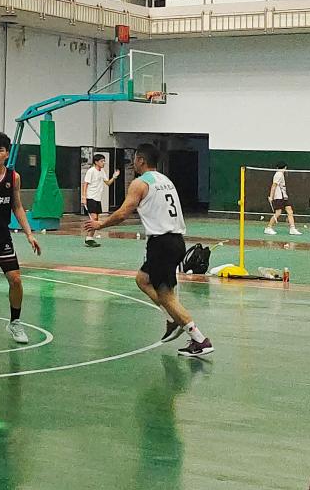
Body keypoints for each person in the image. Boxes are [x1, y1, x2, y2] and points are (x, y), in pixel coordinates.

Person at [85, 144, 213, 357]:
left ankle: (199, 339)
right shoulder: (165, 180)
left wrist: (100, 224)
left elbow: (123, 213)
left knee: (167, 296)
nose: (133, 163)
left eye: (135, 159)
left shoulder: (140, 183)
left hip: (162, 243)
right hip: (176, 241)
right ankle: (172, 318)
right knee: (142, 279)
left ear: (141, 160)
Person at [0, 132, 42, 344]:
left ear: (7, 154)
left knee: (15, 279)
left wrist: (29, 234)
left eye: (0, 150)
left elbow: (17, 206)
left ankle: (15, 322)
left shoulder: (13, 177)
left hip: (0, 235)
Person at [82, 154, 120, 247]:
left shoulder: (102, 171)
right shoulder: (91, 171)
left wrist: (114, 177)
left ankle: (89, 238)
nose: (104, 163)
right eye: (102, 161)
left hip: (98, 199)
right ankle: (89, 238)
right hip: (90, 197)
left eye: (104, 161)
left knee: (96, 220)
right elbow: (85, 184)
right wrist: (84, 197)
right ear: (96, 162)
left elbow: (108, 183)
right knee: (94, 219)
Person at [266, 162, 301, 236]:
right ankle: (268, 228)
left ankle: (292, 229)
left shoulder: (281, 174)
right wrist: (271, 196)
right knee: (278, 212)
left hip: (284, 196)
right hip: (279, 196)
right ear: (285, 167)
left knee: (290, 211)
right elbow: (274, 185)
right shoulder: (278, 174)